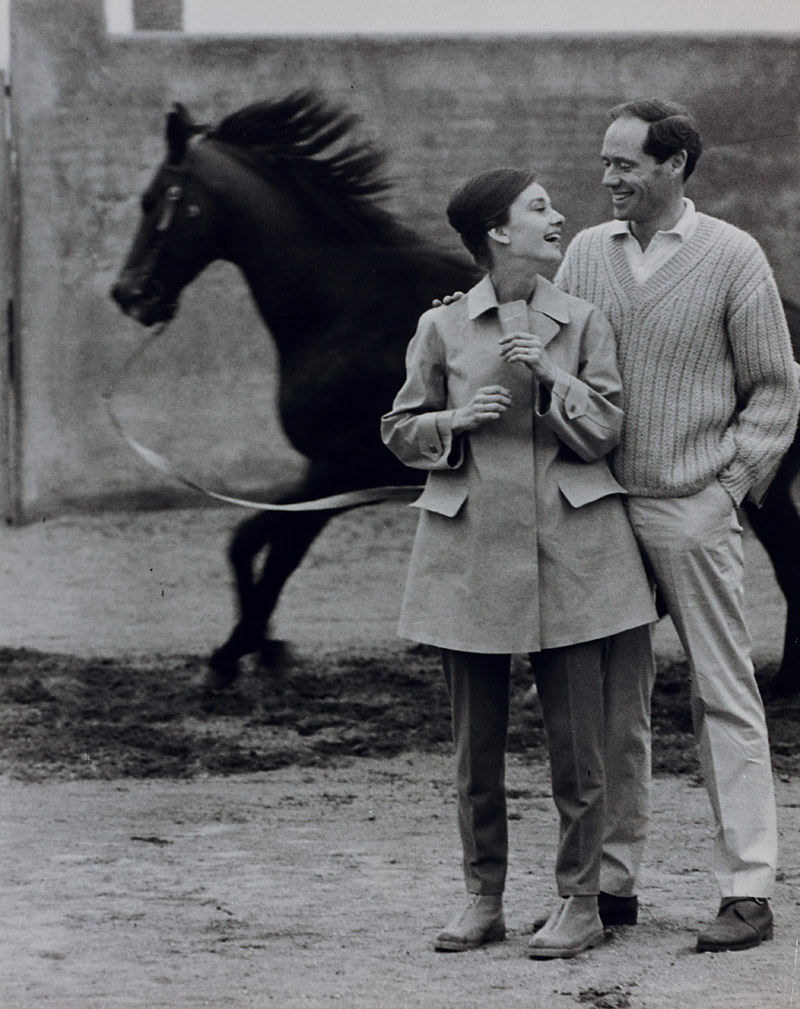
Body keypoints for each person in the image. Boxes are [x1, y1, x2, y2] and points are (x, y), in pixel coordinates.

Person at [381, 168, 657, 959]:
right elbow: (399, 428)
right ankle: (483, 897)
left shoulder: (583, 320)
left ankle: (580, 902)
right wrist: (453, 420)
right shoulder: (440, 328)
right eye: (538, 208)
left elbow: (603, 429)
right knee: (477, 747)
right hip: (467, 554)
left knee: (581, 747)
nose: (557, 214)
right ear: (498, 233)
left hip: (573, 552)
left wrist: (552, 375)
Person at [554, 99, 800, 953]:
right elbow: (542, 340)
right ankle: (614, 882)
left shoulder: (733, 255)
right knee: (616, 703)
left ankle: (747, 886)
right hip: (602, 509)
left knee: (723, 692)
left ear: (676, 166)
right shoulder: (586, 252)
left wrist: (729, 485)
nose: (609, 177)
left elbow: (776, 386)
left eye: (625, 163)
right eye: (606, 162)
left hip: (692, 505)